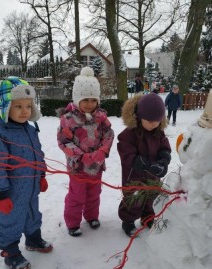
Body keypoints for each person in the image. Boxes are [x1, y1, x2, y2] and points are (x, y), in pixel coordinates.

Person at [0, 77, 53, 269]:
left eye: (28, 106)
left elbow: (37, 153)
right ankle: (11, 251)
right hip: (10, 191)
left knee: (32, 214)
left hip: (30, 188)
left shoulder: (30, 130)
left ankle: (33, 238)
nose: (25, 111)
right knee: (10, 220)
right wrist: (0, 194)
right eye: (18, 106)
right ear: (5, 107)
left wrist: (41, 174)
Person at [57, 67, 114, 237]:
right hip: (77, 167)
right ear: (77, 99)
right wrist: (81, 155)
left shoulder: (101, 117)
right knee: (77, 195)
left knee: (94, 193)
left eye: (93, 100)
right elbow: (63, 141)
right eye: (85, 100)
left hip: (96, 165)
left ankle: (91, 216)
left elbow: (109, 134)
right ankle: (73, 222)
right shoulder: (68, 119)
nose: (90, 104)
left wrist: (102, 151)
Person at [117, 93, 171, 237]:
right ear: (140, 117)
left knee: (151, 196)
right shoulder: (129, 134)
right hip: (134, 176)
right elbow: (126, 153)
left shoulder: (158, 133)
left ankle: (147, 217)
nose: (153, 124)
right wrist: (142, 163)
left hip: (152, 176)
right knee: (134, 199)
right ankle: (128, 221)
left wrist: (163, 161)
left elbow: (165, 148)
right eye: (149, 120)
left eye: (157, 121)